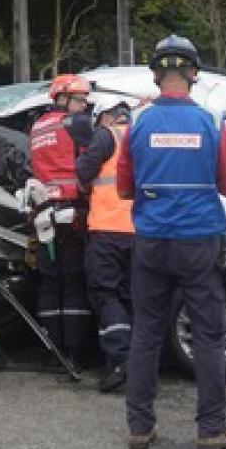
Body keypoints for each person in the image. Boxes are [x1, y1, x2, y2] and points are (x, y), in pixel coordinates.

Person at [117, 34, 226, 449]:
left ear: (156, 75)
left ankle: (139, 428)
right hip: (199, 240)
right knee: (208, 335)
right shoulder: (212, 121)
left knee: (146, 332)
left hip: (152, 240)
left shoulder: (136, 122)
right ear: (193, 74)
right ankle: (211, 429)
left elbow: (123, 188)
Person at [29, 74, 95, 366]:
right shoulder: (76, 124)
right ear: (63, 99)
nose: (84, 106)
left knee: (49, 280)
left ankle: (51, 351)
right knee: (74, 280)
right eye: (80, 100)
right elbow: (90, 161)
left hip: (45, 213)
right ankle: (75, 352)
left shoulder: (37, 127)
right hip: (72, 212)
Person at [76, 95, 135, 393]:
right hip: (140, 231)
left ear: (104, 116)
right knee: (132, 296)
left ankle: (119, 361)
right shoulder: (142, 135)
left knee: (105, 294)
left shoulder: (106, 136)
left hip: (107, 230)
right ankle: (142, 363)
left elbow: (82, 171)